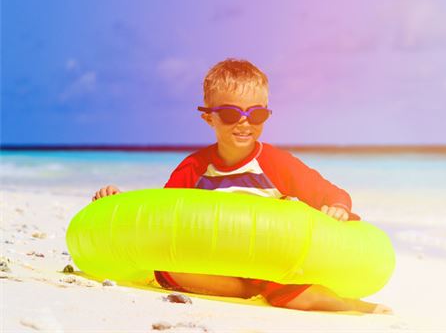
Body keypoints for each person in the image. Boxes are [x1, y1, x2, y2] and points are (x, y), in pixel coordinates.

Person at [93, 58, 392, 314]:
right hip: (219, 266)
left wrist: (337, 207)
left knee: (301, 299)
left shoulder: (275, 163)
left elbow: (329, 192)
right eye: (230, 114)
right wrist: (116, 206)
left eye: (257, 114)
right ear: (209, 117)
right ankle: (245, 292)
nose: (244, 123)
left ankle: (353, 306)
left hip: (271, 270)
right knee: (167, 271)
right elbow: (164, 216)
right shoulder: (194, 168)